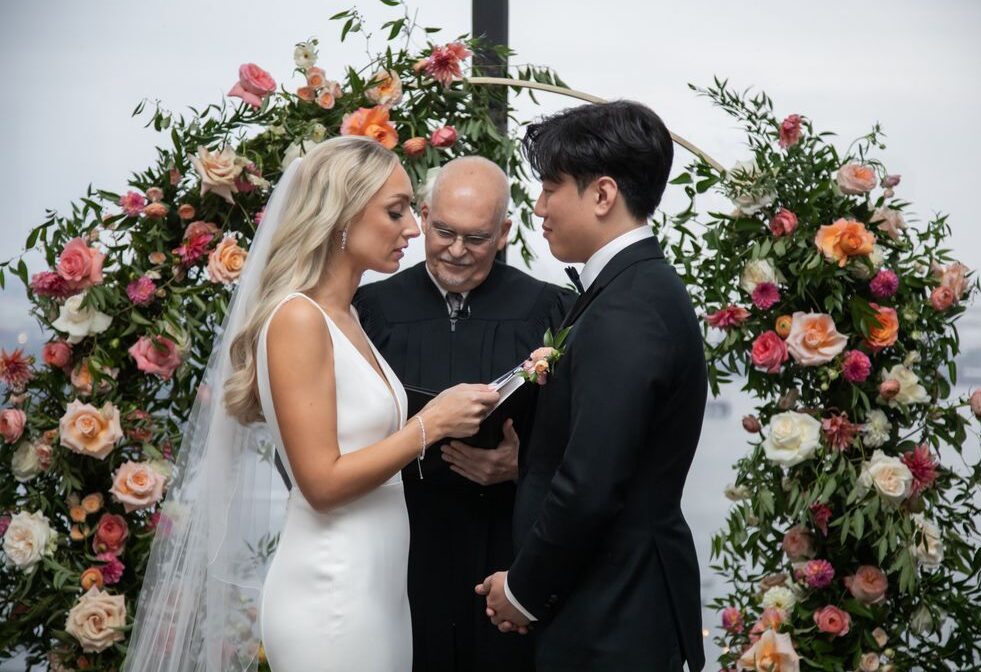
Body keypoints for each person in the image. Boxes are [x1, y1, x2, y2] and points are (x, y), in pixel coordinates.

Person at [123, 136, 499, 672]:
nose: (413, 230)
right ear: (342, 214)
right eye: (396, 213)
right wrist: (428, 426)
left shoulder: (346, 316)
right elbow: (321, 484)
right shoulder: (299, 319)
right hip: (332, 593)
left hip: (378, 590)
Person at [477, 101, 708, 672]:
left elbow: (591, 482)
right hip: (611, 602)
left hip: (613, 615)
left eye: (550, 187)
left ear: (602, 195)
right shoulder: (632, 289)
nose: (538, 207)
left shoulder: (627, 308)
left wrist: (524, 589)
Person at [354, 156, 574, 672]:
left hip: (505, 549)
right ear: (424, 216)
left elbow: (594, 443)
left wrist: (525, 466)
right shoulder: (365, 310)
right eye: (444, 231)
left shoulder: (553, 310)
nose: (456, 250)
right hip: (402, 544)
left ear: (503, 232)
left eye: (475, 238)